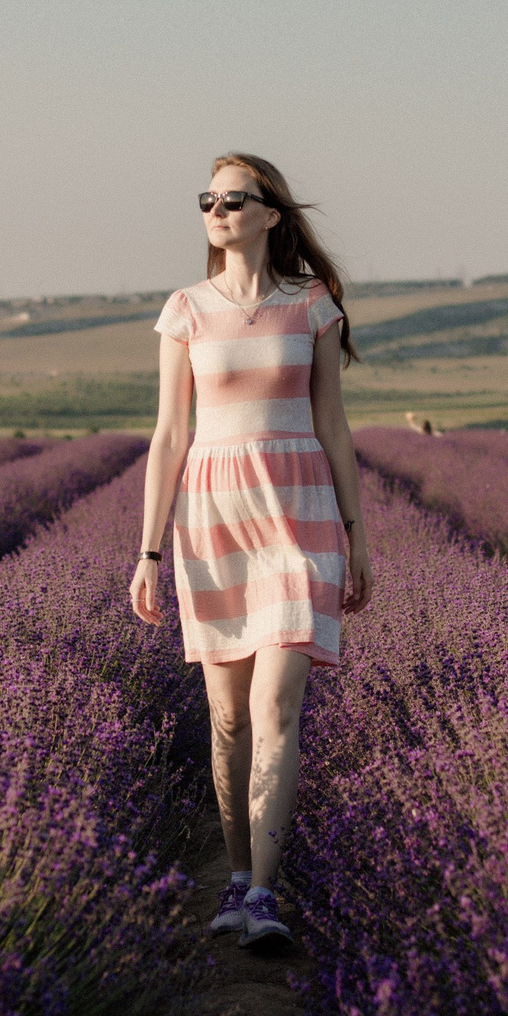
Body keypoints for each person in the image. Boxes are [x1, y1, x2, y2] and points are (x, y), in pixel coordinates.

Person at [130, 153, 372, 952]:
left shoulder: (311, 304)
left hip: (298, 518)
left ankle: (264, 893)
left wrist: (357, 534)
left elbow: (333, 424)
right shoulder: (186, 310)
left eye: (235, 199)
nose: (218, 210)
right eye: (209, 199)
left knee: (275, 709)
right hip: (213, 522)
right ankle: (237, 875)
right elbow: (169, 435)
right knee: (229, 718)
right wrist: (148, 553)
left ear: (271, 214)